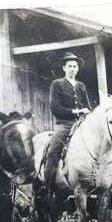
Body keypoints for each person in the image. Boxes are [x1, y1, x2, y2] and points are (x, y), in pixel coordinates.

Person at [44, 52, 91, 202]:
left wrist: (88, 113)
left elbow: (87, 106)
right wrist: (76, 111)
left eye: (75, 66)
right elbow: (55, 108)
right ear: (64, 68)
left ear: (77, 69)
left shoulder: (81, 86)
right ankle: (46, 186)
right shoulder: (57, 84)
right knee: (53, 150)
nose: (72, 68)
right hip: (64, 124)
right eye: (69, 66)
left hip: (82, 123)